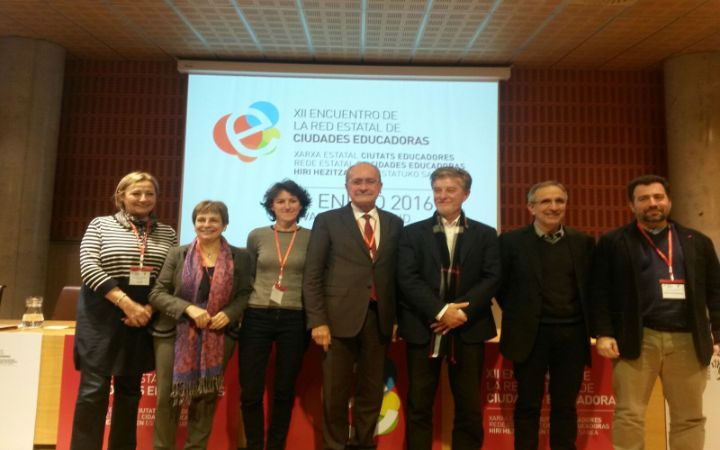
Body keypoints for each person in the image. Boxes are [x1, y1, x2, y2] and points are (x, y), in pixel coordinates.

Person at [590, 174, 720, 450]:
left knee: (689, 418)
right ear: (631, 205)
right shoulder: (613, 242)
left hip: (688, 341)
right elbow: (599, 292)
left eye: (658, 197)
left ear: (669, 201)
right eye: (644, 199)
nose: (652, 203)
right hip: (636, 339)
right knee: (630, 416)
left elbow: (715, 292)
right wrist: (603, 333)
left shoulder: (697, 242)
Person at [71, 171, 177, 450]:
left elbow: (172, 276)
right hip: (102, 318)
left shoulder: (168, 233)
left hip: (144, 318)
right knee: (93, 391)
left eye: (149, 193)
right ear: (121, 196)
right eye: (136, 193)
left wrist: (148, 309)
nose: (143, 199)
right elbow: (89, 268)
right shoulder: (100, 225)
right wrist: (127, 304)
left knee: (130, 393)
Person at [397, 166, 500, 450]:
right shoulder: (411, 233)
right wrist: (443, 312)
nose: (442, 196)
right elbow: (407, 278)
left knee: (468, 405)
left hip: (469, 328)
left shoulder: (486, 233)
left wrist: (460, 314)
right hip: (424, 326)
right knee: (419, 404)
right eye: (438, 190)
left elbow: (492, 277)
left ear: (465, 194)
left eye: (450, 190)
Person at [303, 162, 403, 450]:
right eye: (356, 181)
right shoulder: (328, 220)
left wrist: (396, 319)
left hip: (379, 320)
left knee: (371, 392)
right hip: (335, 322)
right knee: (335, 393)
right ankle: (334, 446)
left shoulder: (395, 222)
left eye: (370, 181)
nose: (363, 186)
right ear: (347, 186)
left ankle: (363, 444)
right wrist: (318, 321)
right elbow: (313, 274)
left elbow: (395, 274)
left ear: (380, 186)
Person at [497, 181, 595, 450]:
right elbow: (502, 289)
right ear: (531, 207)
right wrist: (524, 314)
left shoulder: (583, 241)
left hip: (572, 335)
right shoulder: (510, 242)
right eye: (545, 202)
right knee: (528, 403)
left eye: (559, 201)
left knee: (565, 405)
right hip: (530, 335)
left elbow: (590, 287)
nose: (553, 207)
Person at [149, 200, 252, 450]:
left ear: (224, 225)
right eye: (201, 220)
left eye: (214, 220)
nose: (207, 225)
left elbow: (246, 293)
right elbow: (157, 293)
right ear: (194, 224)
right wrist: (188, 308)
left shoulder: (242, 256)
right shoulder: (178, 254)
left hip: (219, 334)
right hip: (174, 332)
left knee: (205, 396)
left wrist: (229, 313)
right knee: (168, 397)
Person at [240, 180, 312, 450]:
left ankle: (276, 446)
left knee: (284, 391)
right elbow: (249, 276)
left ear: (301, 205)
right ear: (271, 205)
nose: (287, 206)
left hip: (295, 317)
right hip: (257, 315)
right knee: (251, 391)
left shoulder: (312, 236)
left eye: (293, 201)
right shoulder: (257, 235)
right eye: (281, 201)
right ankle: (255, 445)